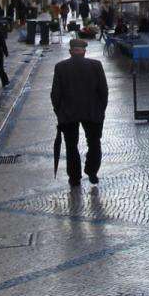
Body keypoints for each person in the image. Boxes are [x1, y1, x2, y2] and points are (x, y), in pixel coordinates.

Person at [51, 37, 108, 187]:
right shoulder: (96, 65)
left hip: (68, 114)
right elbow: (104, 91)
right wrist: (100, 110)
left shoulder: (61, 67)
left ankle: (74, 177)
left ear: (71, 52)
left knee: (71, 146)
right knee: (94, 143)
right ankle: (92, 171)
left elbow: (55, 94)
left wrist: (59, 112)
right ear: (84, 52)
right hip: (92, 112)